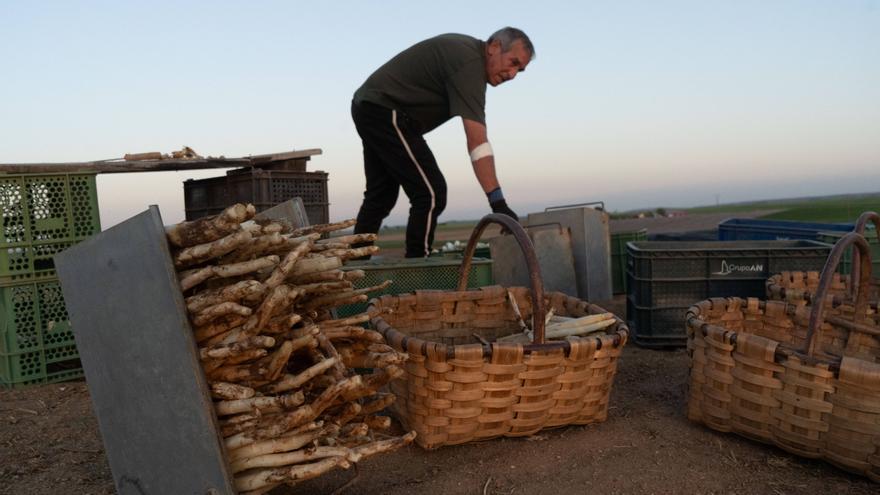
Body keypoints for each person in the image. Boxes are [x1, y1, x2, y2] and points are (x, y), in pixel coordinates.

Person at [350, 27, 535, 258]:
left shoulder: (469, 58)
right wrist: (498, 204)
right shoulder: (470, 64)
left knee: (381, 196)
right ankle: (418, 267)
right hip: (385, 109)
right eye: (513, 62)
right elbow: (478, 143)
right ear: (494, 47)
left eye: (520, 69)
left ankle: (354, 268)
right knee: (431, 192)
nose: (512, 74)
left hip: (371, 106)